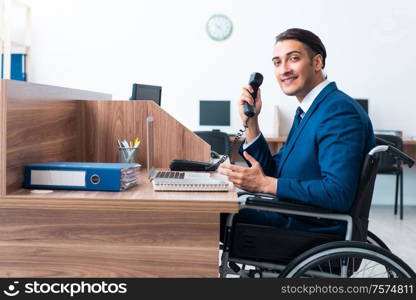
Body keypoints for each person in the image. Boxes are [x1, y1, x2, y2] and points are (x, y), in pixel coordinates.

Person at [219, 28, 376, 237]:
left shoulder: (338, 111)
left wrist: (267, 185)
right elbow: (273, 171)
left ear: (318, 62)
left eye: (293, 59)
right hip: (296, 216)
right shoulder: (310, 110)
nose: (284, 70)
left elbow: (338, 193)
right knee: (212, 208)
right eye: (277, 62)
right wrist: (252, 121)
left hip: (315, 229)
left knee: (205, 214)